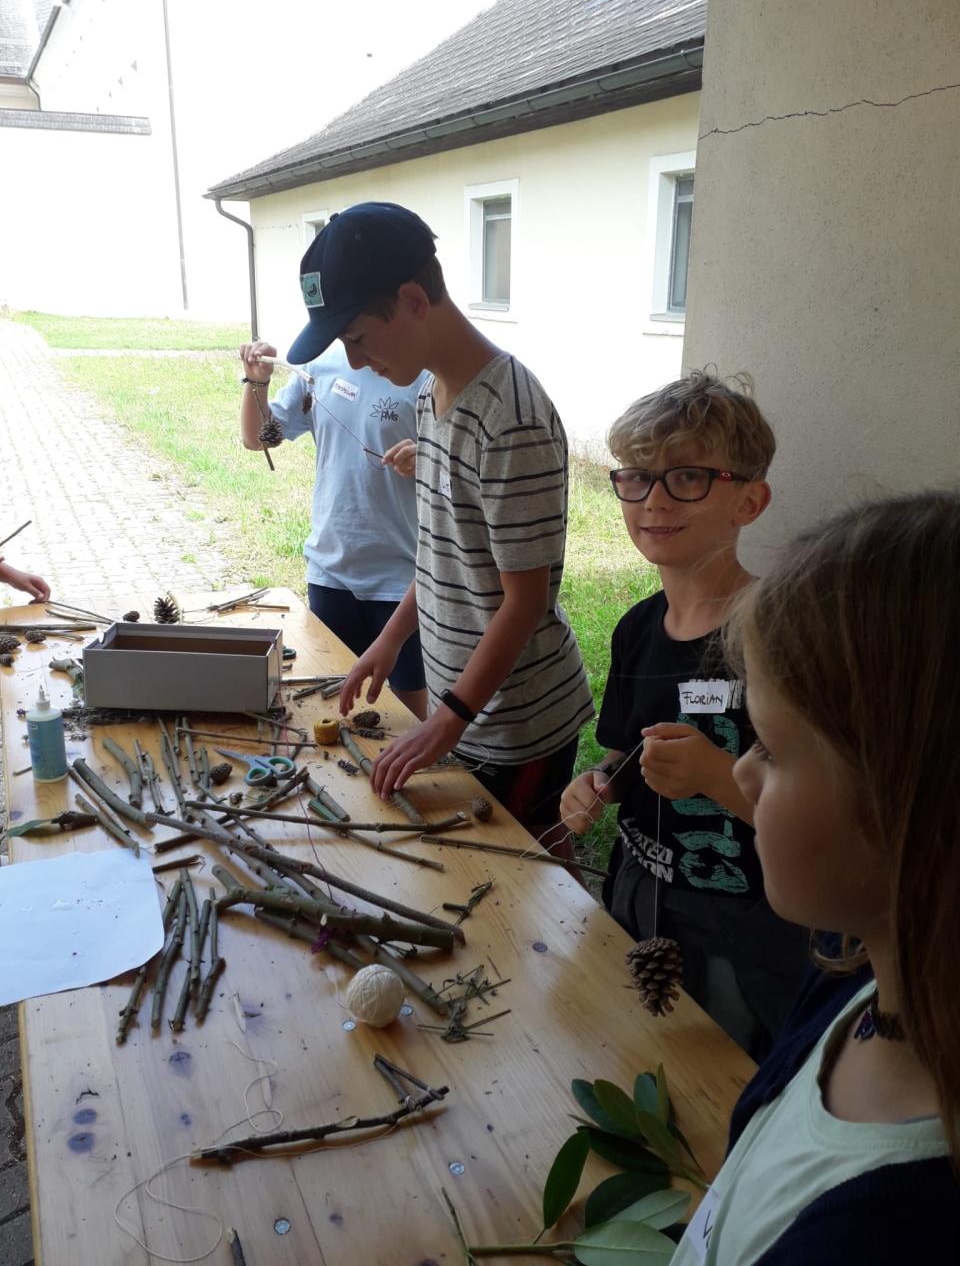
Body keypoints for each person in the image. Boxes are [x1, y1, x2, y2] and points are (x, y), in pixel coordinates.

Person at [671, 491, 960, 1264]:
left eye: (768, 745)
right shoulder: (854, 975)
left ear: (911, 803)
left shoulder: (892, 1237)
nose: (741, 770)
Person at [285, 201, 594, 840]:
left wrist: (446, 717)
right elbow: (438, 552)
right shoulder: (430, 392)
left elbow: (526, 602)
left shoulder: (512, 418)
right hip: (472, 708)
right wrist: (391, 638)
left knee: (528, 885)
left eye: (358, 337)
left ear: (413, 302)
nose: (356, 358)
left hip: (517, 722)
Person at [560, 373, 807, 1056]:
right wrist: (599, 782)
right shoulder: (638, 627)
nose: (655, 500)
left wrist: (717, 775)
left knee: (711, 1081)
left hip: (741, 934)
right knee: (632, 1058)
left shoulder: (778, 639)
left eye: (689, 478)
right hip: (637, 899)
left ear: (750, 500)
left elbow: (826, 820)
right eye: (637, 477)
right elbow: (622, 750)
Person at [238, 339, 427, 718]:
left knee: (408, 712)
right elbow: (255, 438)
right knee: (333, 701)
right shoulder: (319, 364)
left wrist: (427, 458)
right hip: (330, 572)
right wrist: (256, 382)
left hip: (401, 579)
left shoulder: (421, 375)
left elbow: (454, 463)